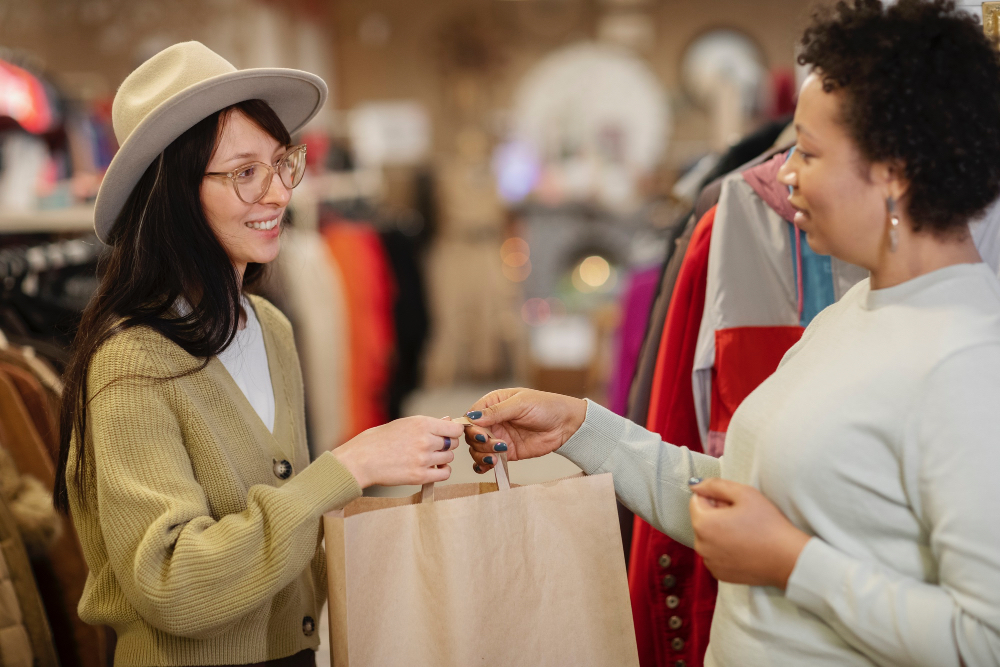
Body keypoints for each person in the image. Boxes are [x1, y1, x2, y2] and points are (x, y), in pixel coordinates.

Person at [463, 1, 1000, 665]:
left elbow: (984, 638)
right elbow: (741, 498)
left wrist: (791, 562)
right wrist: (582, 429)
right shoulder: (852, 314)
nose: (784, 174)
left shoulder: (968, 360)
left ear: (893, 171)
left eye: (807, 151)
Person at [52, 42, 464, 666]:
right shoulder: (130, 361)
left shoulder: (268, 326)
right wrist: (345, 468)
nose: (277, 194)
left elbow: (283, 531)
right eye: (244, 172)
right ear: (173, 195)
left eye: (280, 164)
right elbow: (172, 583)